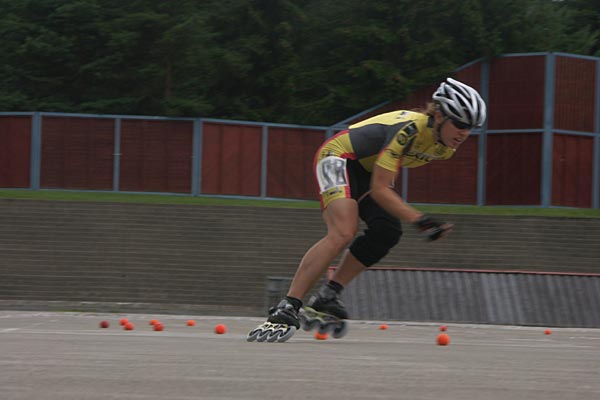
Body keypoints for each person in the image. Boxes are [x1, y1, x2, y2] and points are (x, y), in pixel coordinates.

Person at [253, 77, 486, 341]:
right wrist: (420, 220)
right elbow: (380, 189)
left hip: (366, 169)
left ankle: (328, 295)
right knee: (343, 232)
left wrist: (415, 218)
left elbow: (383, 179)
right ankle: (288, 305)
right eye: (460, 124)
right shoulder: (409, 129)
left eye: (471, 128)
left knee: (386, 231)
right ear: (441, 115)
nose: (464, 133)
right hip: (340, 157)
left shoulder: (444, 148)